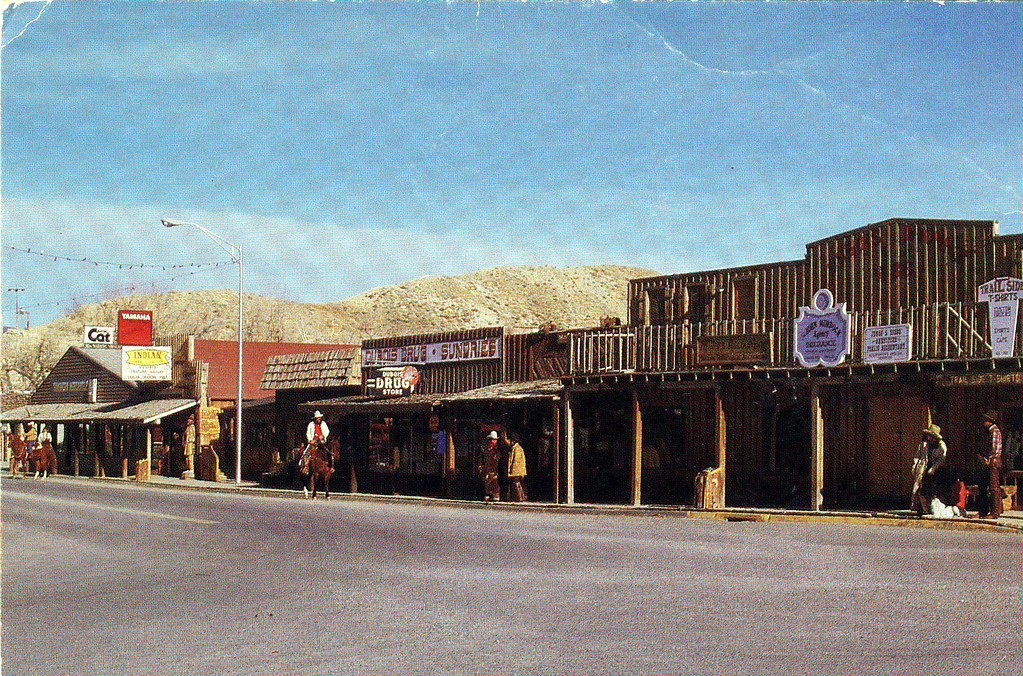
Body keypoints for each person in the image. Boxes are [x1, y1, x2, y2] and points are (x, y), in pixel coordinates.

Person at [911, 423, 950, 516]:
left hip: (936, 472)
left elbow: (941, 459)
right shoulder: (924, 445)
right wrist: (915, 466)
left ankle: (931, 508)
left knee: (930, 491)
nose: (929, 437)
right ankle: (920, 508)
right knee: (918, 489)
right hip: (923, 469)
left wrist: (933, 468)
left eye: (931, 435)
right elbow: (918, 456)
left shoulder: (941, 446)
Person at [978, 409, 1004, 518]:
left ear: (990, 421)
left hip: (993, 461)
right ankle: (983, 511)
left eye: (986, 420)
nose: (984, 422)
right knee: (984, 485)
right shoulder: (989, 431)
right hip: (989, 461)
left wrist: (988, 460)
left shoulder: (994, 431)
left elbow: (995, 449)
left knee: (993, 487)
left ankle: (995, 512)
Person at [504, 430, 528, 502]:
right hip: (519, 470)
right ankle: (520, 497)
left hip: (517, 470)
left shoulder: (517, 449)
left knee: (517, 483)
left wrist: (512, 471)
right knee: (518, 483)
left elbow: (516, 461)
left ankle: (520, 497)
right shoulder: (516, 448)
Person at [482, 430, 501, 502]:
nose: (491, 441)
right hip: (487, 469)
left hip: (495, 470)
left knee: (495, 482)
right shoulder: (486, 449)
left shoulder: (497, 450)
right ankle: (488, 495)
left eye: (493, 440)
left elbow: (498, 460)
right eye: (490, 439)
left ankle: (495, 496)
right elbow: (483, 459)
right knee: (487, 482)